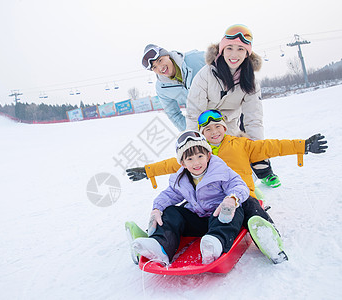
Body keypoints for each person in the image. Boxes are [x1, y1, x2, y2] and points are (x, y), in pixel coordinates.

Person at [126, 109, 328, 264]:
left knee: (251, 208)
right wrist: (147, 171)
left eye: (217, 127)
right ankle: (153, 239)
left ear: (224, 127)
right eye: (208, 130)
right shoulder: (196, 153)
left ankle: (269, 238)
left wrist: (303, 145)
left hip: (241, 198)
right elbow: (171, 166)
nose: (214, 132)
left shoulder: (242, 145)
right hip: (208, 207)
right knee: (174, 212)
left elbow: (272, 146)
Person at [131, 130, 249, 265]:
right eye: (190, 159)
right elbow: (168, 195)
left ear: (208, 155)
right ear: (183, 163)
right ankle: (160, 246)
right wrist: (157, 209)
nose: (196, 163)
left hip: (220, 217)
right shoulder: (181, 179)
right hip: (198, 220)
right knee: (171, 211)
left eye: (200, 156)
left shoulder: (221, 171)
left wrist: (231, 199)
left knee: (235, 209)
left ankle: (215, 243)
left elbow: (239, 185)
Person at [184, 24, 280, 188]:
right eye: (229, 48)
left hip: (229, 125)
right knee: (209, 160)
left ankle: (262, 174)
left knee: (237, 155)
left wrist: (257, 150)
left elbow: (253, 118)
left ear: (247, 53)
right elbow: (194, 113)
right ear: (221, 50)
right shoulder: (205, 76)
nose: (234, 55)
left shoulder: (250, 80)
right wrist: (193, 145)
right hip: (206, 124)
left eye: (241, 49)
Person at [142, 44, 205, 131]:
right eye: (154, 67)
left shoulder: (195, 58)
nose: (160, 68)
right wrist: (191, 131)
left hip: (226, 113)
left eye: (160, 60)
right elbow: (173, 114)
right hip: (204, 124)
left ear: (167, 55)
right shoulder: (162, 88)